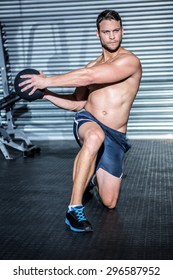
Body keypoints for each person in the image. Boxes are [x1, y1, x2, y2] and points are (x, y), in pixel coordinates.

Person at [19, 10, 142, 233]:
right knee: (95, 136)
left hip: (116, 136)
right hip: (89, 122)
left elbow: (89, 77)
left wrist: (45, 81)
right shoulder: (91, 64)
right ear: (98, 35)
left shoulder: (129, 61)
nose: (112, 36)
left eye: (116, 31)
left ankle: (90, 174)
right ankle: (74, 209)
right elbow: (77, 103)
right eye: (107, 32)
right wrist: (46, 93)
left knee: (109, 202)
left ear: (122, 31)